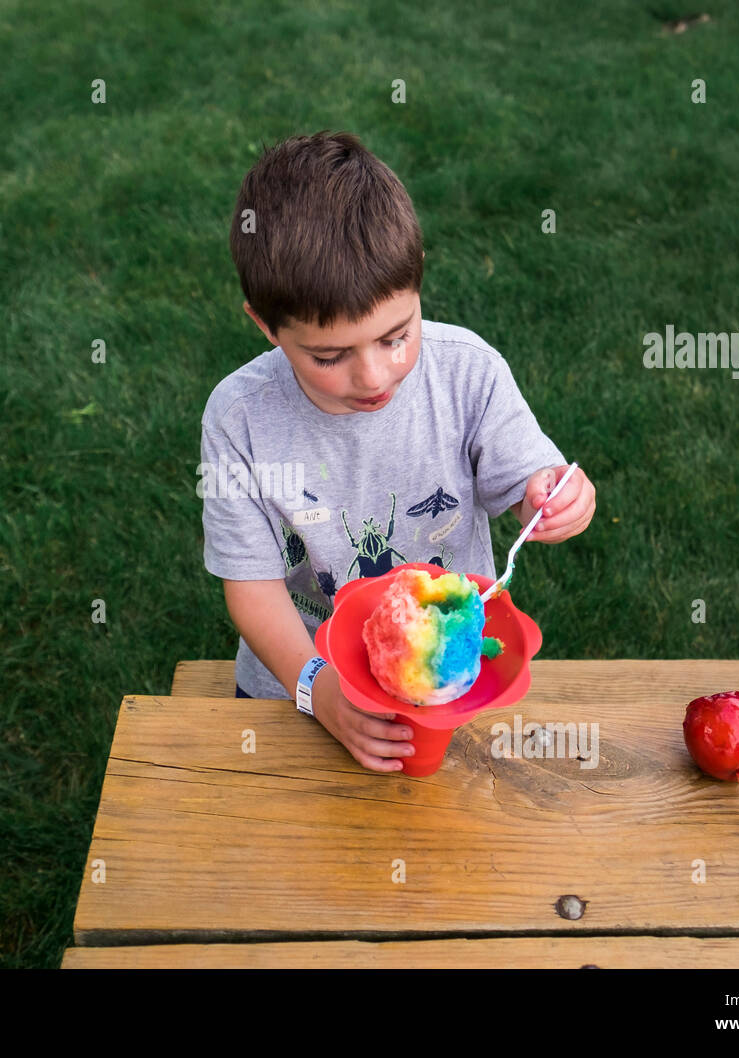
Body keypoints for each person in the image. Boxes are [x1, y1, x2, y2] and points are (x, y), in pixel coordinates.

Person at [200, 130, 596, 773]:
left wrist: (556, 498)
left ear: (417, 289)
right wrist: (319, 691)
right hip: (297, 686)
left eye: (396, 336)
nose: (375, 377)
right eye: (329, 357)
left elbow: (534, 482)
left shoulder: (469, 374)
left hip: (449, 684)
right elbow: (250, 586)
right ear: (266, 326)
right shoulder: (239, 418)